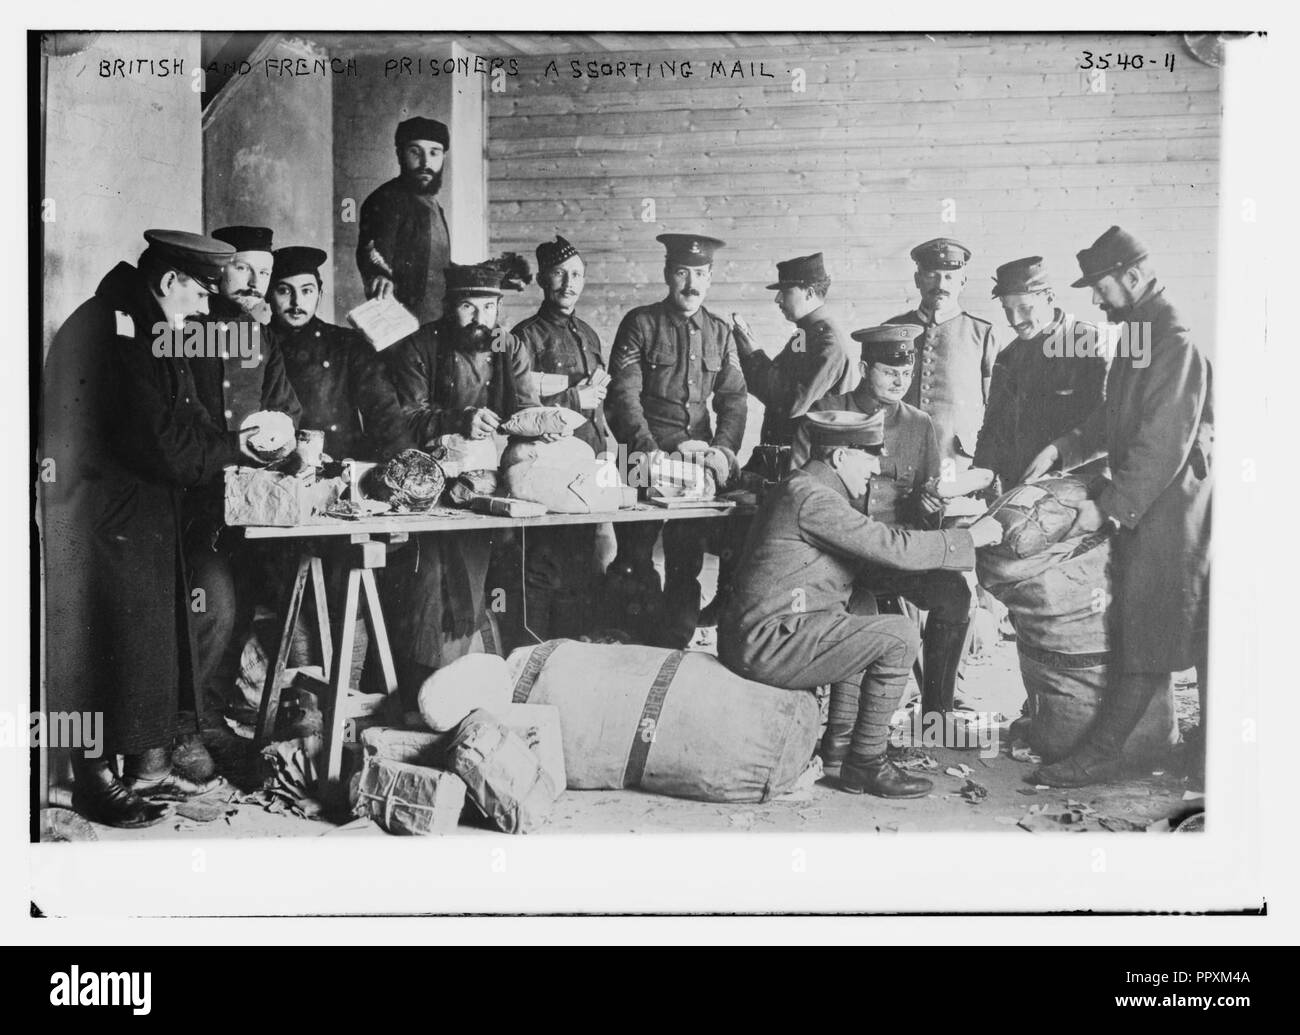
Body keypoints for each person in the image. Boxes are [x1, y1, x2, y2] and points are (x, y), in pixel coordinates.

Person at [41, 229, 263, 827]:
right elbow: (160, 441)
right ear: (170, 282)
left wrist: (220, 446)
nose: (203, 307)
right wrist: (233, 448)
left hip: (132, 511)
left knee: (132, 646)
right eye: (199, 293)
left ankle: (126, 769)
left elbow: (179, 416)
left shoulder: (140, 321)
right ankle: (92, 780)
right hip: (98, 514)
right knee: (98, 645)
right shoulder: (118, 330)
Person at [718, 410, 1003, 797]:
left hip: (769, 631)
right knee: (900, 637)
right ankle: (866, 763)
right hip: (768, 643)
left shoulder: (807, 488)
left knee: (862, 603)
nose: (874, 472)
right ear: (840, 458)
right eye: (869, 460)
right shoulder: (813, 498)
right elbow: (889, 545)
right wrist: (971, 539)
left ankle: (838, 748)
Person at [1021, 226, 1212, 788]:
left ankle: (1106, 752)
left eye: (1101, 287)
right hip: (1153, 499)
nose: (1097, 300)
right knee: (1184, 623)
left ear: (1132, 277)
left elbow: (1163, 441)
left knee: (1153, 621)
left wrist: (1106, 508)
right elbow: (1112, 417)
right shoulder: (1137, 331)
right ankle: (1198, 755)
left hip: (1174, 504)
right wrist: (1063, 447)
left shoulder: (1173, 336)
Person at [792, 325, 971, 759]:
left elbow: (926, 504)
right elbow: (800, 486)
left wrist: (927, 506)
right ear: (866, 367)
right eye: (889, 371)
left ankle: (937, 717)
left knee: (955, 595)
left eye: (905, 373)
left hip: (891, 553)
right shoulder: (828, 413)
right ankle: (840, 728)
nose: (899, 380)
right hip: (835, 556)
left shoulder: (919, 424)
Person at [383, 262, 541, 700]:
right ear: (448, 306)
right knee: (428, 584)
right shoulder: (419, 345)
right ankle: (415, 691)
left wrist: (524, 434)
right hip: (425, 483)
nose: (479, 319)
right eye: (467, 307)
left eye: (488, 308)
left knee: (494, 582)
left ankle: (482, 686)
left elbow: (527, 411)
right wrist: (458, 419)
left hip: (491, 484)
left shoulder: (510, 345)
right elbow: (401, 418)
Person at [699, 251, 858, 627]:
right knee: (734, 512)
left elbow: (789, 402)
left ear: (806, 291)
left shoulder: (827, 341)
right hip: (782, 457)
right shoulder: (806, 335)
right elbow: (775, 382)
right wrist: (750, 346)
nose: (777, 300)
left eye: (783, 292)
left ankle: (746, 611)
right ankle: (730, 601)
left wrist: (750, 350)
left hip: (808, 465)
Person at [605, 232, 748, 647]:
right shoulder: (640, 323)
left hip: (697, 462)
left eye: (700, 274)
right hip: (639, 453)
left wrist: (723, 450)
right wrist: (652, 456)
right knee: (633, 558)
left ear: (711, 278)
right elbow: (622, 398)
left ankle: (674, 643)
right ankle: (633, 641)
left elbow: (735, 400)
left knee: (686, 560)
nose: (691, 284)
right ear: (668, 274)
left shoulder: (721, 333)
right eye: (683, 273)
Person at [185, 224, 302, 716]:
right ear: (218, 271)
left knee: (246, 607)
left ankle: (217, 718)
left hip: (249, 503)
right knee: (209, 610)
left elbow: (286, 408)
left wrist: (287, 443)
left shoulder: (264, 337)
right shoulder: (185, 330)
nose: (255, 281)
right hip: (192, 501)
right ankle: (182, 728)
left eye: (265, 272)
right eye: (243, 268)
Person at [510, 235, 610, 639]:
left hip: (585, 466)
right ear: (542, 279)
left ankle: (567, 661)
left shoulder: (588, 334)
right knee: (542, 566)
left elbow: (600, 409)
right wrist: (574, 396)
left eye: (577, 275)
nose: (569, 283)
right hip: (545, 468)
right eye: (560, 274)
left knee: (584, 565)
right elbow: (517, 406)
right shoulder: (525, 336)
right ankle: (530, 656)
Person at [973, 256, 1107, 495]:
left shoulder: (1090, 343)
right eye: (1007, 310)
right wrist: (981, 472)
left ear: (1049, 298)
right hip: (1020, 492)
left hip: (1080, 493)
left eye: (1025, 308)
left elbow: (1106, 429)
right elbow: (994, 429)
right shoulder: (1008, 357)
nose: (1015, 321)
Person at [269, 246, 404, 464]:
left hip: (340, 468)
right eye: (284, 291)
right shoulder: (257, 345)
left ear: (319, 295)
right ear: (268, 295)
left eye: (307, 291)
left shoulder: (348, 344)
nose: (296, 303)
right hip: (273, 469)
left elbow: (385, 415)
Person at [886, 237, 999, 474]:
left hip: (958, 461)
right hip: (899, 456)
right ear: (918, 280)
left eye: (949, 277)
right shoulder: (893, 330)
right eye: (932, 275)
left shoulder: (982, 333)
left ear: (963, 282)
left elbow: (996, 408)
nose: (941, 284)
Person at [356, 116, 452, 325]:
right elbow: (371, 251)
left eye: (434, 153)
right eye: (415, 152)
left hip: (435, 325)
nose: (426, 163)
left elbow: (437, 268)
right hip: (400, 326)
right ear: (400, 155)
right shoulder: (386, 199)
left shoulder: (434, 206)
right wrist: (379, 276)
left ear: (443, 157)